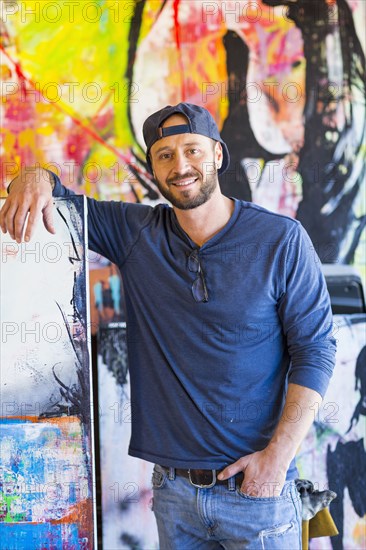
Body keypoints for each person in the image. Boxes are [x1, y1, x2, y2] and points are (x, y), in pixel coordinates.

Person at [0, 103, 336, 549]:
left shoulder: (281, 241)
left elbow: (316, 351)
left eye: (192, 150)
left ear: (217, 155)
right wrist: (32, 177)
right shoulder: (137, 233)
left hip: (259, 496)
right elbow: (59, 197)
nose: (180, 166)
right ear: (153, 169)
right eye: (164, 155)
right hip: (175, 496)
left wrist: (277, 460)